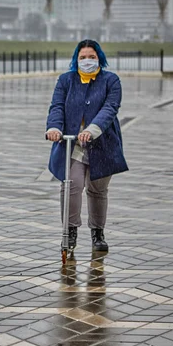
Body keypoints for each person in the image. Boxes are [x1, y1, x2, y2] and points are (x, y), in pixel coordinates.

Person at [45, 39, 128, 252]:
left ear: (99, 58)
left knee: (98, 189)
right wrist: (54, 127)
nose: (87, 61)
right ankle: (70, 230)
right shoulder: (66, 80)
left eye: (92, 57)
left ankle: (98, 233)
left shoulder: (111, 81)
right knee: (71, 185)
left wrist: (91, 130)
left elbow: (110, 108)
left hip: (102, 143)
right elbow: (56, 107)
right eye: (83, 58)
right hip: (73, 145)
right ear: (76, 59)